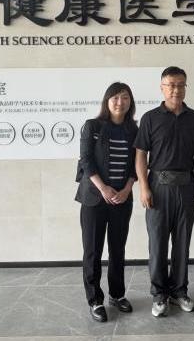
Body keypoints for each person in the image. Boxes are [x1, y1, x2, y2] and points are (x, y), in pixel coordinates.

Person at [134, 66, 194, 318]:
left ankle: (179, 291)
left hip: (186, 188)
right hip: (158, 189)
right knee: (158, 244)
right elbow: (141, 155)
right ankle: (159, 294)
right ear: (162, 88)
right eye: (171, 85)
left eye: (181, 85)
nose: (176, 90)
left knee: (182, 243)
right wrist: (144, 187)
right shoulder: (150, 118)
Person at [75, 82, 138, 323]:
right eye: (115, 97)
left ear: (130, 102)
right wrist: (103, 188)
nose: (120, 102)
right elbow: (86, 160)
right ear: (107, 101)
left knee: (117, 249)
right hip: (94, 199)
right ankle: (95, 300)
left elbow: (136, 164)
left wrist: (127, 189)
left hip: (122, 198)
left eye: (125, 97)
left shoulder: (134, 130)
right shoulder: (93, 126)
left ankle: (117, 295)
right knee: (93, 250)